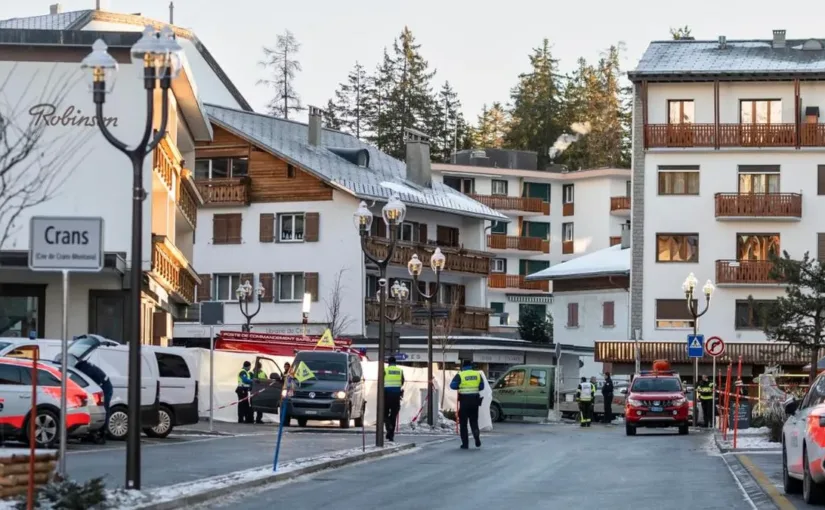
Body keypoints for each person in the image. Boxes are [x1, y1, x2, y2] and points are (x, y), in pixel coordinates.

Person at [73, 357, 112, 441]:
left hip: (105, 387)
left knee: (102, 409)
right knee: (96, 408)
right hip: (103, 384)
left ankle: (102, 433)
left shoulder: (84, 370)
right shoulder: (84, 365)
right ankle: (95, 432)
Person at [450, 360, 484, 449]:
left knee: (463, 423)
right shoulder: (477, 374)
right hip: (475, 401)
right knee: (474, 421)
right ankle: (476, 437)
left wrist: (460, 386)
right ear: (471, 366)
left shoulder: (460, 375)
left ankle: (465, 444)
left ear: (463, 367)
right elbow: (482, 386)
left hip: (464, 401)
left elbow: (452, 385)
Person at [383, 356, 405, 442]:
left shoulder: (385, 370)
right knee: (393, 415)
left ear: (388, 363)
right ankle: (391, 435)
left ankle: (388, 426)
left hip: (386, 395)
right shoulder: (400, 371)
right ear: (395, 363)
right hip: (396, 396)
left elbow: (381, 381)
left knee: (384, 414)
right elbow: (402, 381)